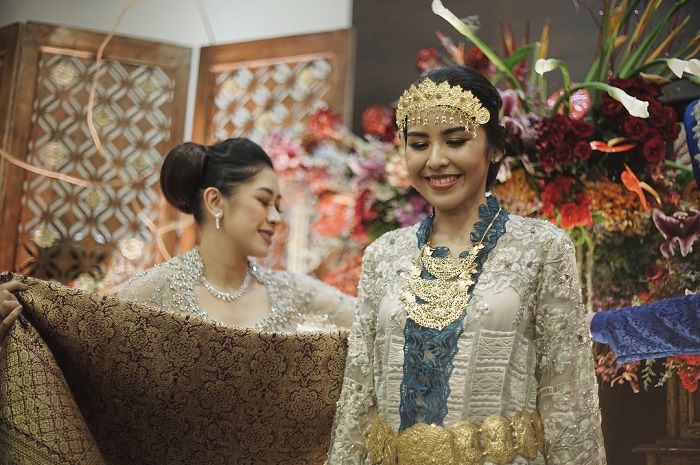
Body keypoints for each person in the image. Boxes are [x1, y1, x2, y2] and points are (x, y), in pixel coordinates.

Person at [327, 67, 606, 464]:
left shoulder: (542, 247)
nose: (435, 160)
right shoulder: (383, 254)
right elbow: (357, 398)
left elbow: (568, 400)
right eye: (418, 144)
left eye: (455, 141)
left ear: (495, 148)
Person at [117, 137, 354, 331]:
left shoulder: (291, 293)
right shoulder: (151, 292)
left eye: (278, 206)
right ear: (214, 201)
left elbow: (367, 321)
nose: (276, 218)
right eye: (263, 201)